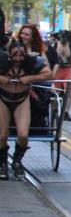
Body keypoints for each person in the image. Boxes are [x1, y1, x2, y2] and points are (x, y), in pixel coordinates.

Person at [0, 43, 52, 179]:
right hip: (3, 99)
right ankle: (2, 162)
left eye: (21, 55)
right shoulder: (2, 60)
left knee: (23, 135)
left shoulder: (31, 62)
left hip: (22, 100)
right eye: (15, 55)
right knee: (2, 135)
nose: (18, 58)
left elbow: (48, 73)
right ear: (9, 54)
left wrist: (29, 78)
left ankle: (17, 160)